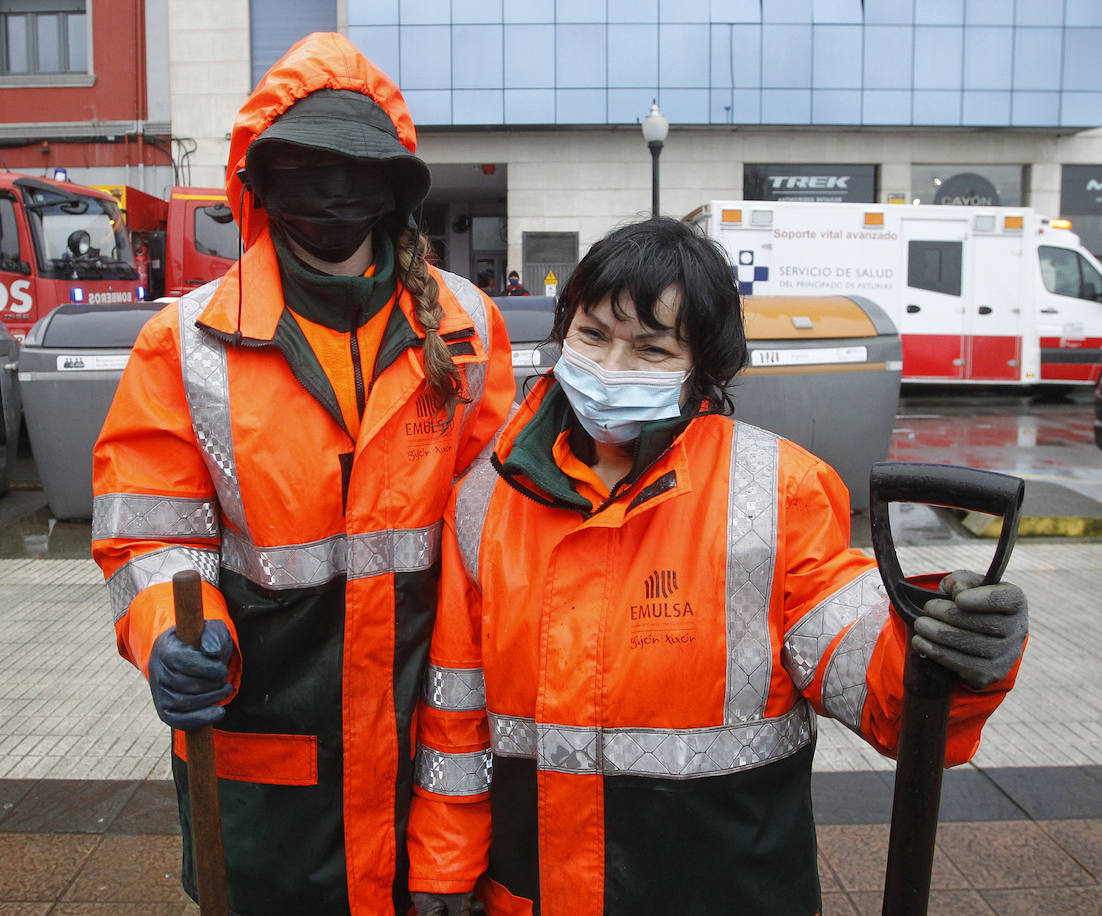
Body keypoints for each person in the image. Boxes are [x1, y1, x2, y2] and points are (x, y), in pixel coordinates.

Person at [405, 218, 1028, 916]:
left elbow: (873, 684)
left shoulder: (778, 491)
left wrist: (954, 654)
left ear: (702, 366)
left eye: (651, 348)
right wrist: (443, 871)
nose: (612, 367)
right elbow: (454, 718)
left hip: (727, 890)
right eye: (592, 335)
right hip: (538, 893)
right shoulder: (486, 499)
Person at [91, 32, 514, 915]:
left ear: (394, 186)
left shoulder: (469, 326)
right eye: (307, 167)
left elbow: (497, 532)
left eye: (356, 168)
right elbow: (151, 531)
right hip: (266, 766)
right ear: (259, 179)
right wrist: (173, 629)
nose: (333, 192)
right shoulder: (186, 342)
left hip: (429, 748)